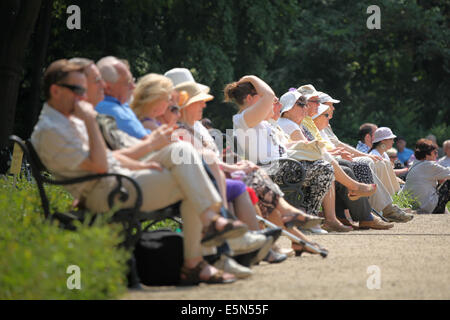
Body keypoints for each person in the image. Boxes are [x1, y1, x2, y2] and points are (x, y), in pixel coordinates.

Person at [31, 59, 250, 285]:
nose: (83, 95)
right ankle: (201, 250)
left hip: (116, 180)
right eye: (78, 89)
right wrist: (90, 121)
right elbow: (100, 166)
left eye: (84, 89)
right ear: (56, 91)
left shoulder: (67, 120)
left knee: (181, 150)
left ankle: (207, 233)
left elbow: (107, 158)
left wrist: (141, 163)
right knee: (188, 176)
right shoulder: (52, 129)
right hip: (105, 191)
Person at [277, 90, 392, 230]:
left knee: (348, 166)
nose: (305, 108)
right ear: (288, 108)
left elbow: (309, 148)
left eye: (306, 104)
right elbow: (307, 149)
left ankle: (351, 214)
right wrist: (330, 153)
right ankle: (362, 210)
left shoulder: (295, 124)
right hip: (295, 166)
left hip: (302, 162)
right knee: (341, 167)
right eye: (301, 104)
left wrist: (330, 153)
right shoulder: (289, 124)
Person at [95, 56, 151, 139]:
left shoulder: (121, 104)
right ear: (108, 88)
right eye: (128, 82)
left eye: (133, 81)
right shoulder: (110, 109)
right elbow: (144, 139)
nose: (133, 87)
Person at [402, 139, 450, 214]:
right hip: (427, 207)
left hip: (413, 204)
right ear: (427, 154)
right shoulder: (429, 165)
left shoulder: (414, 164)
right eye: (435, 152)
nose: (437, 155)